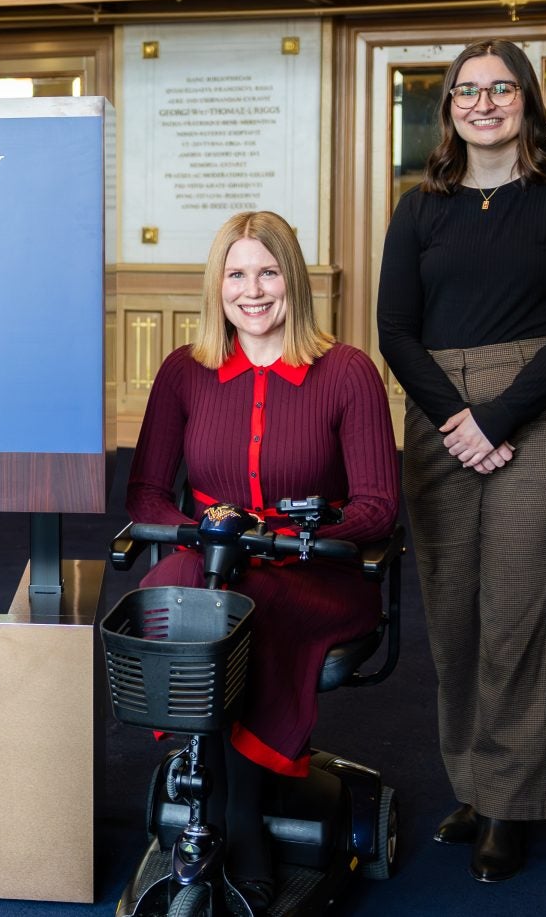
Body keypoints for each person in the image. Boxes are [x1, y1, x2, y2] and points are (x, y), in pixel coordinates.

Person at [376, 39, 546, 883]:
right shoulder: (420, 207)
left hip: (538, 414)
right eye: (467, 91)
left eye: (499, 88)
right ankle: (472, 783)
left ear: (527, 100)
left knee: (521, 612)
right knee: (454, 614)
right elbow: (395, 330)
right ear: (448, 108)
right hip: (442, 413)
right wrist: (458, 419)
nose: (483, 102)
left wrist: (500, 417)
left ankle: (511, 802)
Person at [127, 210, 398, 913]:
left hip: (310, 568)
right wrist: (204, 530)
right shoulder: (185, 373)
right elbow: (148, 494)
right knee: (178, 602)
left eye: (268, 271)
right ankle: (204, 804)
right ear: (217, 285)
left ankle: (238, 825)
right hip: (214, 555)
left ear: (294, 281)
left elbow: (378, 505)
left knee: (248, 618)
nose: (253, 290)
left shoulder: (346, 372)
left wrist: (295, 529)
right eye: (237, 273)